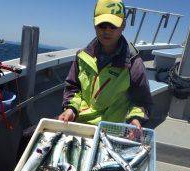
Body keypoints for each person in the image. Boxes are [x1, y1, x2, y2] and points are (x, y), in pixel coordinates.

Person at [58, 0, 153, 130]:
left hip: (110, 130)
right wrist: (71, 109)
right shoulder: (82, 56)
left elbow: (142, 101)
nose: (107, 30)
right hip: (78, 123)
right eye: (102, 25)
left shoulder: (133, 64)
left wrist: (135, 119)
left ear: (123, 25)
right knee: (28, 136)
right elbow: (73, 88)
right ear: (94, 24)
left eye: (113, 25)